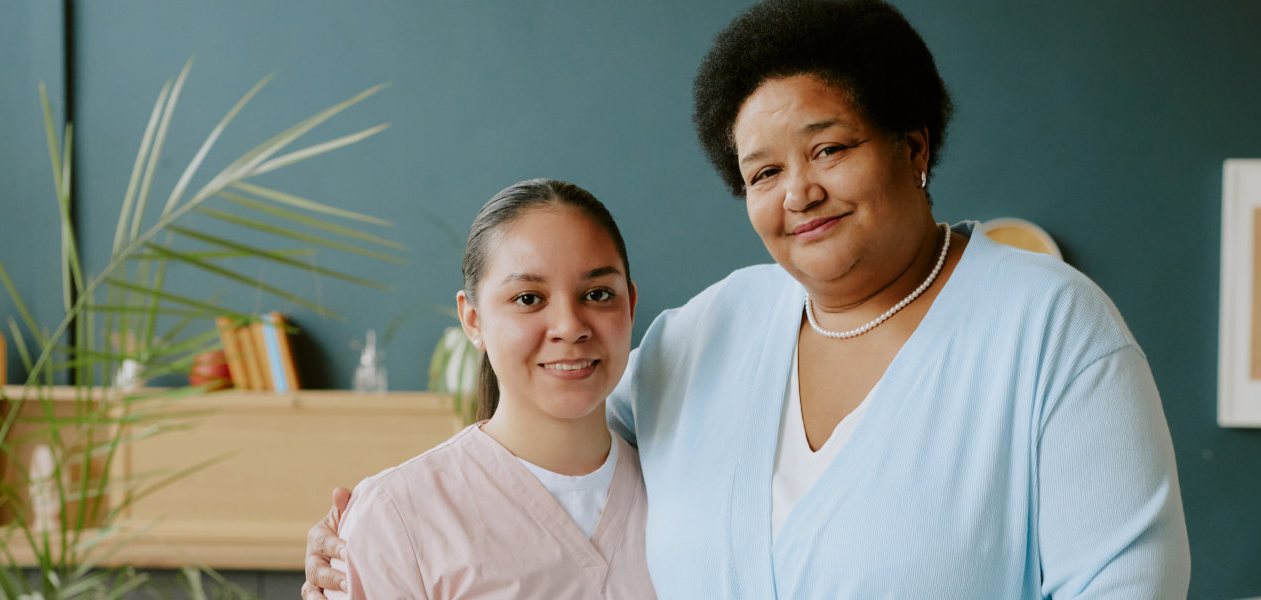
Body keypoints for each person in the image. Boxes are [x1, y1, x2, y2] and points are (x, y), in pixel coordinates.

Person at [308, 1, 1189, 598]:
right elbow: (548, 448)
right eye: (763, 172)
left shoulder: (1049, 328)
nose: (798, 191)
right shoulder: (710, 330)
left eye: (829, 148)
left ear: (914, 145)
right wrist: (380, 533)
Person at [326, 179, 656, 599]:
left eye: (597, 294)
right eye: (528, 299)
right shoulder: (397, 517)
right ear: (473, 320)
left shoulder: (681, 488)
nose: (570, 326)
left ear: (630, 305)